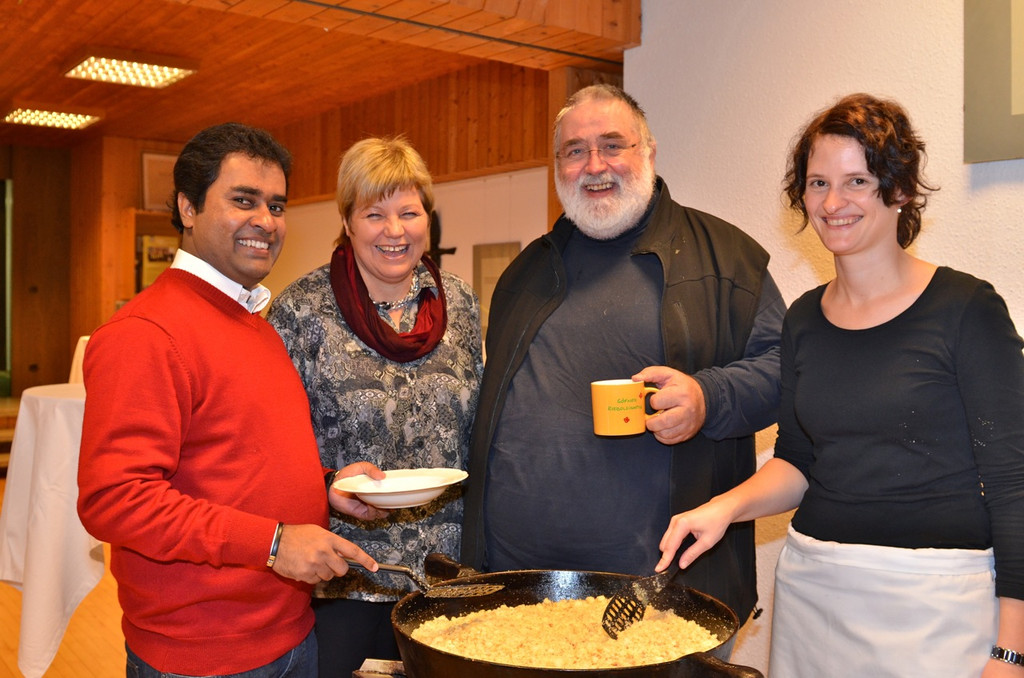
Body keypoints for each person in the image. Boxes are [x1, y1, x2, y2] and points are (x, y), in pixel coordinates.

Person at [656, 93, 1024, 677]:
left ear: (900, 190)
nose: (833, 203)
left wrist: (1011, 650)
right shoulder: (803, 319)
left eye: (857, 181)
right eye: (818, 183)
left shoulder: (966, 309)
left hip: (936, 599)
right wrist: (723, 508)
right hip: (815, 591)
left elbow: (1012, 483)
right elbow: (799, 462)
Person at [460, 83, 786, 630]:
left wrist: (708, 397)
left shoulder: (726, 258)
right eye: (575, 151)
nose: (594, 165)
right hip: (521, 586)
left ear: (649, 152)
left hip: (660, 593)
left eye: (613, 145)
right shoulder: (525, 272)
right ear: (557, 166)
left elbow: (785, 368)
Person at [77, 122, 388, 678]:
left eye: (276, 205)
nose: (265, 221)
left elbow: (237, 460)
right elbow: (116, 499)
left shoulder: (253, 324)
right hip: (203, 656)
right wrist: (273, 543)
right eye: (243, 201)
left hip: (289, 634)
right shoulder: (146, 333)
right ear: (188, 207)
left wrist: (325, 486)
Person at [267, 136, 483, 675]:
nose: (394, 231)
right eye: (374, 214)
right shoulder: (301, 311)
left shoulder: (459, 301)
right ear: (347, 221)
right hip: (345, 575)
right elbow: (270, 444)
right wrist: (326, 482)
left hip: (446, 574)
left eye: (409, 213)